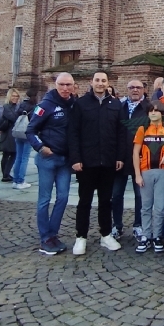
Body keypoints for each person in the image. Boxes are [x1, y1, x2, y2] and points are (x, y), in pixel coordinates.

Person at [67, 70, 125, 254]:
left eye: (103, 81)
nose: (100, 83)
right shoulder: (80, 104)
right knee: (85, 201)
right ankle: (81, 237)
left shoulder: (116, 105)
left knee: (106, 201)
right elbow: (73, 133)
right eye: (97, 80)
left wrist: (119, 157)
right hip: (86, 162)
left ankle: (106, 235)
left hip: (108, 161)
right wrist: (75, 159)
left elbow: (121, 134)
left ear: (108, 84)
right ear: (91, 82)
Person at [27, 74, 76, 256]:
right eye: (62, 85)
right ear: (56, 85)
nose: (65, 88)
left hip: (65, 160)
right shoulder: (45, 105)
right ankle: (45, 237)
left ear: (73, 86)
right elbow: (30, 130)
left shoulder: (73, 104)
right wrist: (40, 147)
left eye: (68, 85)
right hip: (48, 159)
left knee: (63, 197)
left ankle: (53, 233)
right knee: (44, 199)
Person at [133, 101, 164, 253]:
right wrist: (137, 175)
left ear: (162, 114)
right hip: (146, 171)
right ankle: (145, 235)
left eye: (156, 111)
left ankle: (157, 236)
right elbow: (135, 153)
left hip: (163, 171)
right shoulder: (142, 129)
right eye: (151, 110)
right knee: (145, 206)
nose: (153, 113)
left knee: (159, 207)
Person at [113, 77, 151, 244]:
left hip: (140, 159)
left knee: (140, 195)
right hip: (120, 158)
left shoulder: (149, 107)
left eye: (138, 87)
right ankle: (117, 225)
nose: (135, 90)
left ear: (143, 89)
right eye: (131, 87)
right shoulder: (119, 106)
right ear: (127, 89)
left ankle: (138, 225)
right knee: (116, 194)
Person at [0, 88, 32, 189]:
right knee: (7, 154)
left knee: (14, 155)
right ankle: (5, 174)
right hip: (8, 133)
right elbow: (13, 117)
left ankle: (8, 174)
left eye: (17, 96)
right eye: (13, 96)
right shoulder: (6, 106)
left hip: (16, 133)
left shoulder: (18, 106)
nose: (15, 98)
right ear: (9, 96)